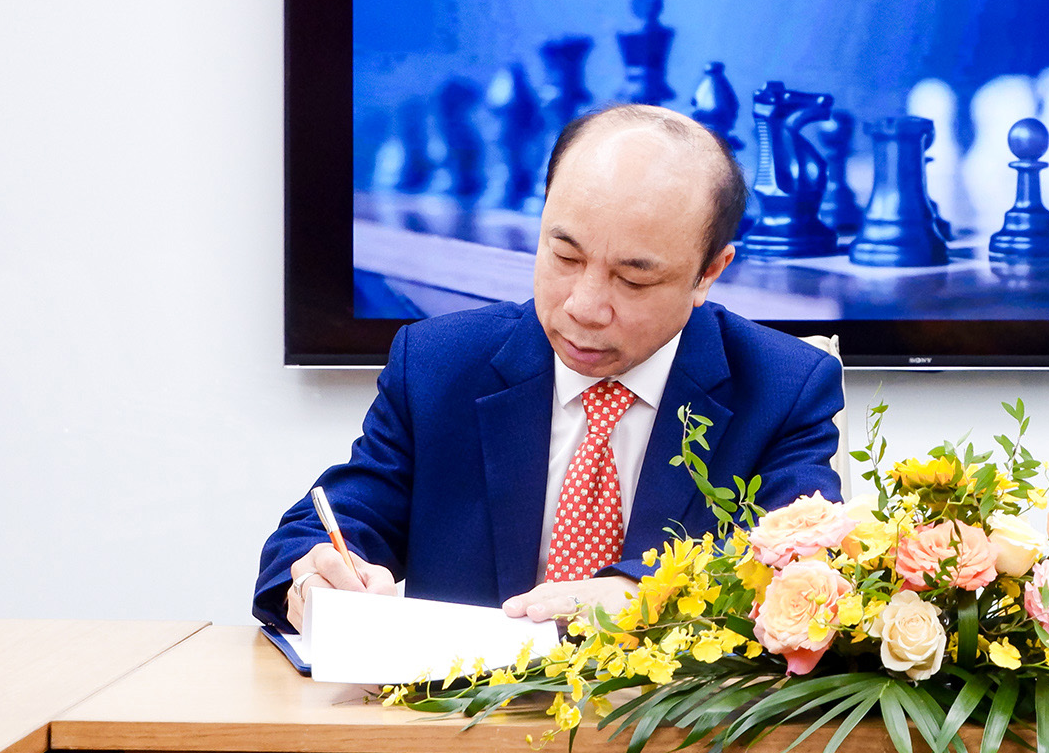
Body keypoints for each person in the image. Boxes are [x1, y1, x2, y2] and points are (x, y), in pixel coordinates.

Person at [254, 105, 844, 632]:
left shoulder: (784, 389)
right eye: (565, 256)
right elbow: (325, 526)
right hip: (462, 712)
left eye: (634, 279)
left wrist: (645, 595)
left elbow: (801, 567)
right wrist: (315, 579)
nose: (583, 307)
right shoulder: (438, 364)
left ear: (709, 272)